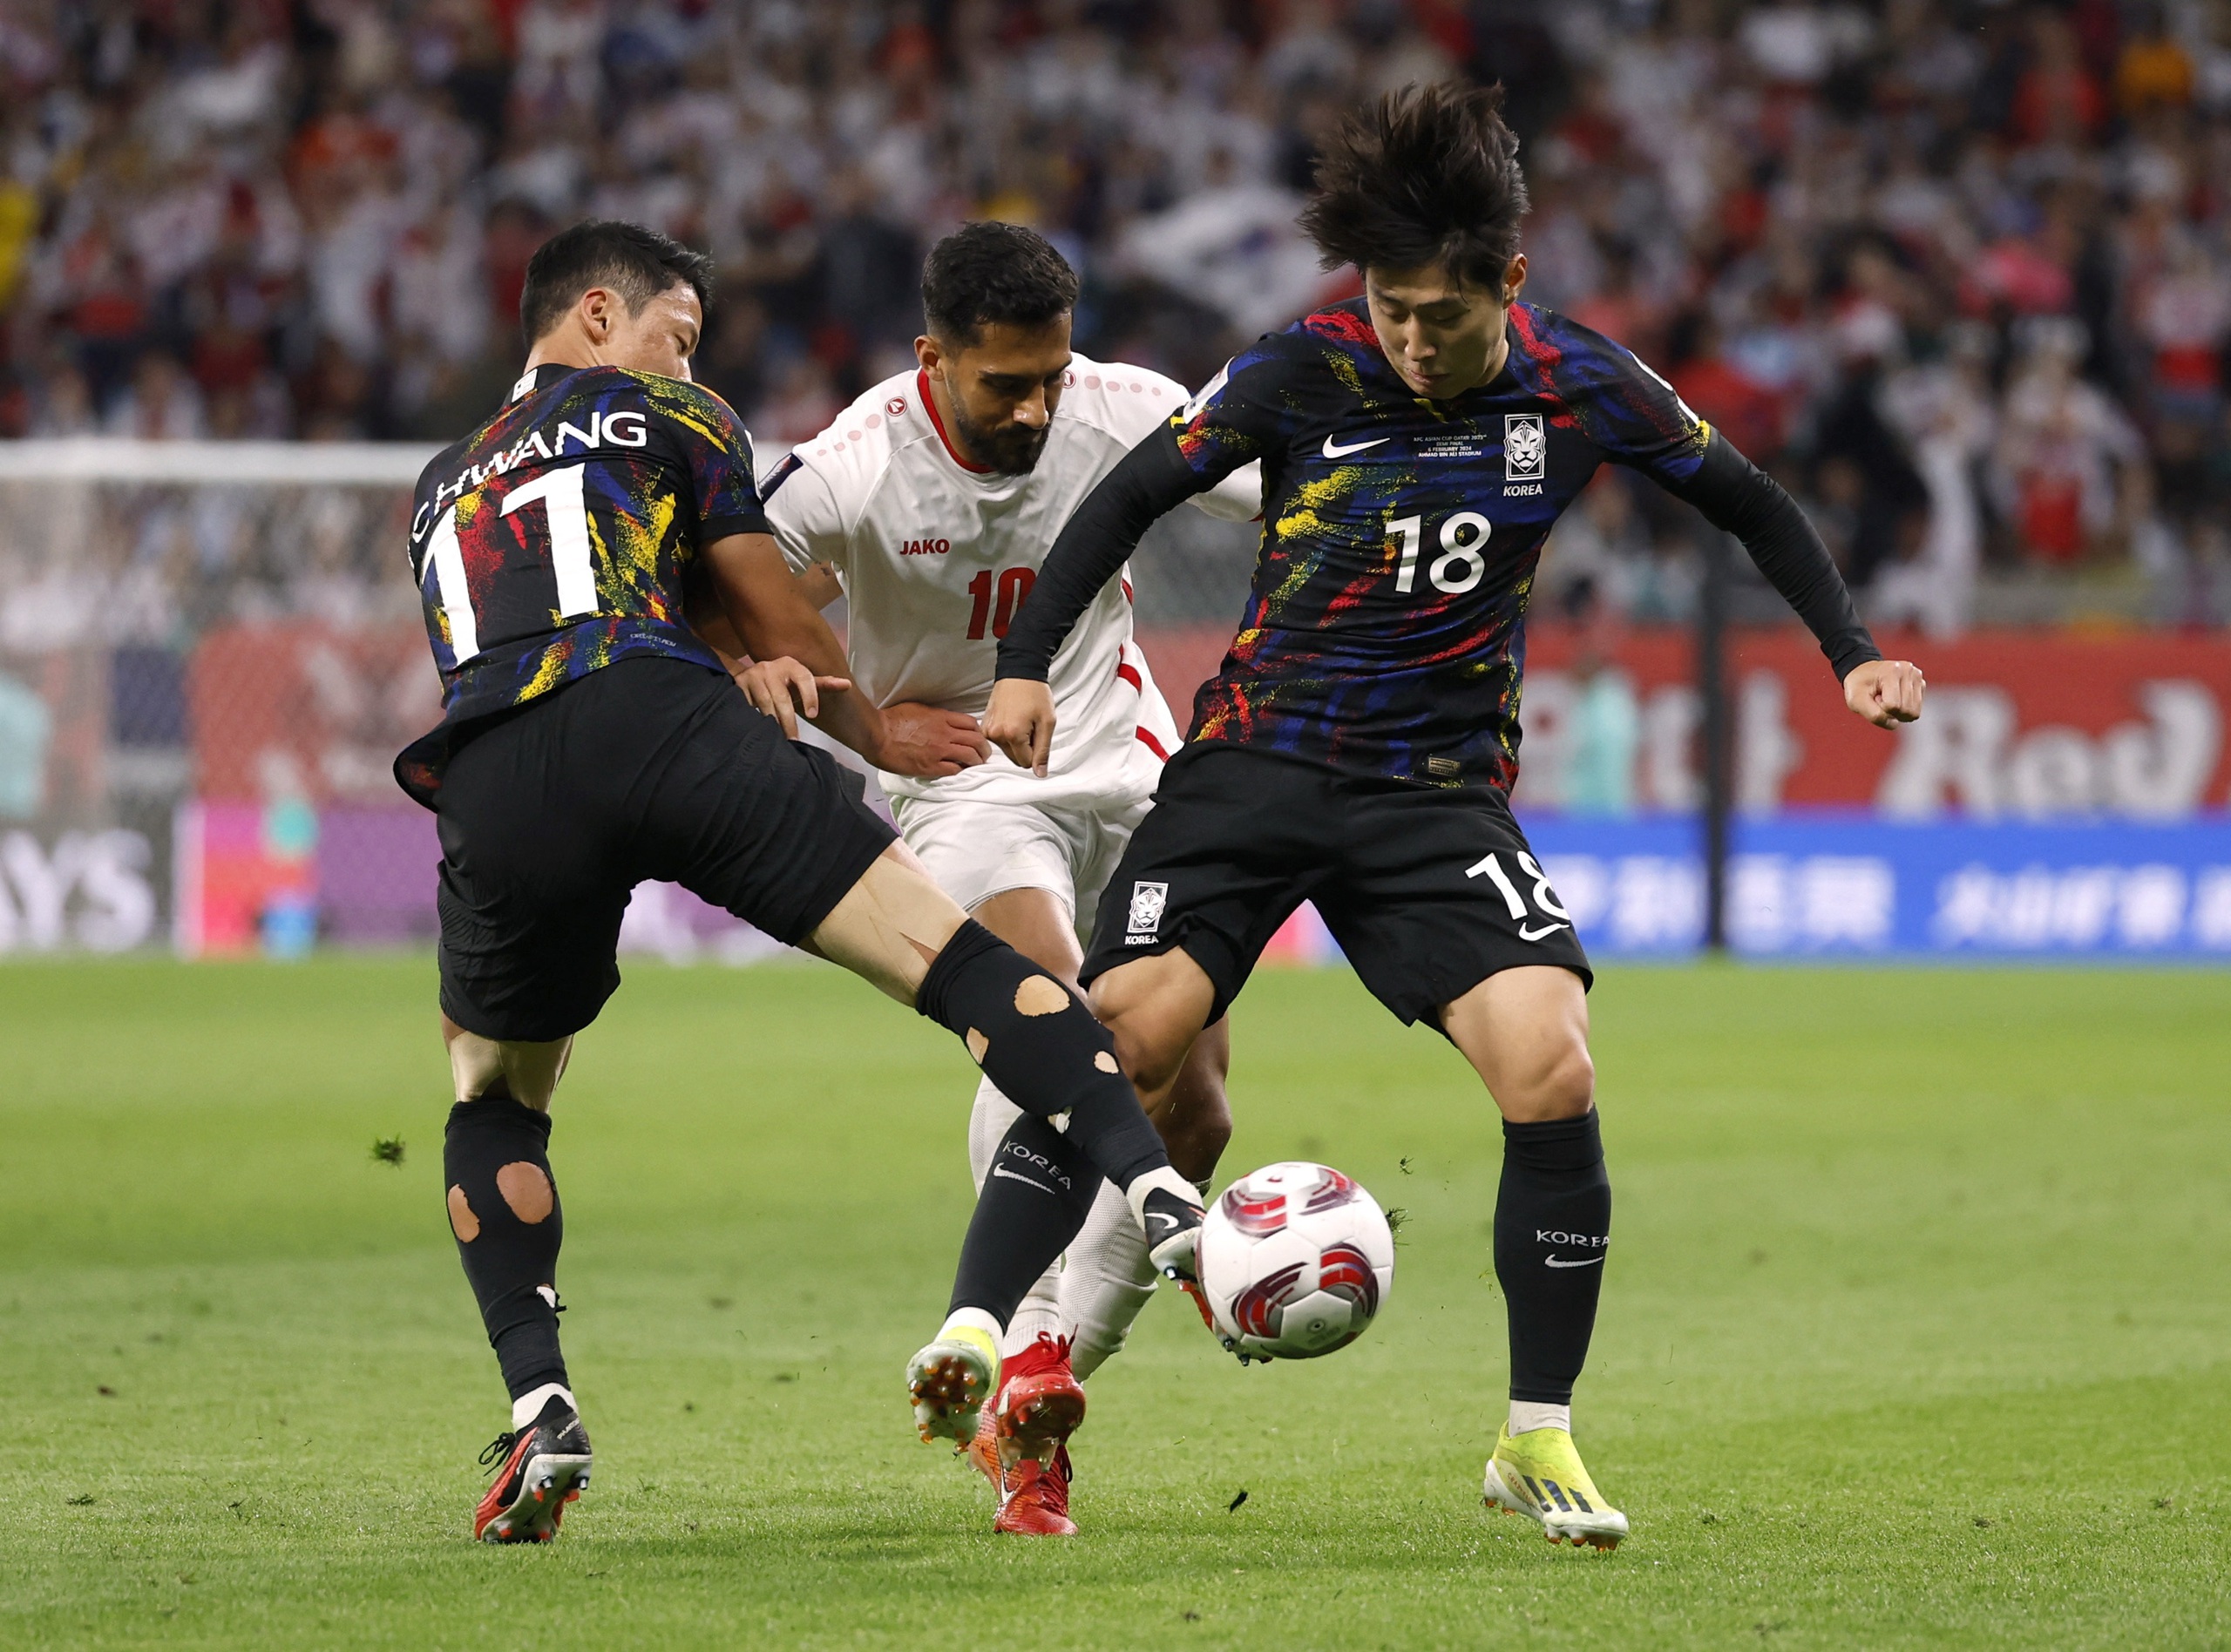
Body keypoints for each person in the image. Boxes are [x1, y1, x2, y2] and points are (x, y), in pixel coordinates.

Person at [983, 85, 1926, 1551]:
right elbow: (1120, 504)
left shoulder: (1582, 381)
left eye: (1438, 313)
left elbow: (1751, 503)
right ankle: (1018, 1354)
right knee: (1139, 1039)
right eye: (1389, 308)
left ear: (1511, 284)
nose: (1409, 340)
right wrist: (1022, 665)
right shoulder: (1303, 366)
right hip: (1253, 769)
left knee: (1552, 1064)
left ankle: (1535, 1438)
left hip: (1433, 795)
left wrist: (1849, 649)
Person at [391, 220, 1206, 1545]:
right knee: (965, 970)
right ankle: (1160, 1195)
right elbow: (767, 611)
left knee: (492, 1096)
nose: (684, 354)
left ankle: (540, 1403)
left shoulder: (439, 482)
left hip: (494, 774)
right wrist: (874, 729)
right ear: (601, 318)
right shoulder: (673, 414)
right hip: (664, 724)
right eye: (677, 332)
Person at [732, 221, 1260, 1537]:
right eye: (1002, 384)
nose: (1035, 408)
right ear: (932, 360)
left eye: (1050, 377)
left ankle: (1040, 1382)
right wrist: (862, 726)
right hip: (964, 785)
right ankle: (1013, 1335)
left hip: (1129, 762)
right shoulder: (853, 471)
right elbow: (729, 592)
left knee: (1194, 1109)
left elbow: (1297, 484)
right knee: (1051, 1015)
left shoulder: (1127, 409)